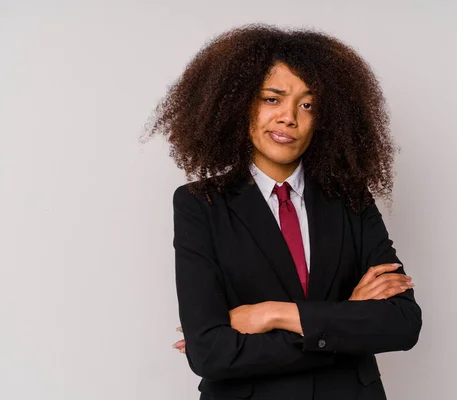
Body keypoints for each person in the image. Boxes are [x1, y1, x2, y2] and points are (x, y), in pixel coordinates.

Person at [146, 24, 422, 400]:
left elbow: (402, 324)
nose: (288, 117)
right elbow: (210, 353)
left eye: (307, 105)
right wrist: (342, 318)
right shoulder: (200, 205)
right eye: (272, 99)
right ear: (239, 104)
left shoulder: (350, 198)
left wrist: (271, 314)